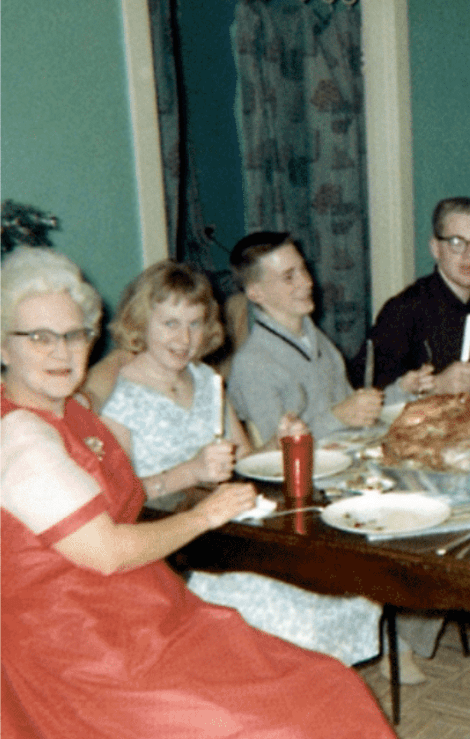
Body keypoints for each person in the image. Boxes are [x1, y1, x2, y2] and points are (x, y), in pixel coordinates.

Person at [0, 247, 402, 739]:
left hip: (148, 616)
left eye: (74, 334)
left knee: (329, 689)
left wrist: (188, 473)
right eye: (39, 337)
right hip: (85, 654)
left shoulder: (71, 409)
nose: (61, 352)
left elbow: (127, 463)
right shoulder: (20, 437)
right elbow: (105, 551)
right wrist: (202, 515)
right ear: (4, 346)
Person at [99, 260, 382, 668]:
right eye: (170, 324)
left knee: (351, 584)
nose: (184, 338)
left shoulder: (207, 381)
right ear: (141, 322)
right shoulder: (120, 398)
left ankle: (306, 693)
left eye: (195, 324)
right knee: (296, 614)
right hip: (176, 552)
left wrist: (279, 443)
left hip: (234, 537)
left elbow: (246, 462)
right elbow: (120, 500)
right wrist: (190, 472)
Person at [227, 231, 382, 445]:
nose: (307, 282)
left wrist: (401, 390)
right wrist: (337, 416)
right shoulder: (253, 363)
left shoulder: (315, 338)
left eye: (304, 269)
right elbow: (277, 448)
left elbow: (352, 410)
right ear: (255, 293)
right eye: (289, 277)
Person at [367, 197, 470, 402]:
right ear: (435, 248)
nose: (469, 255)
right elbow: (371, 397)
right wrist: (436, 385)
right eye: (456, 242)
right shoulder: (403, 310)